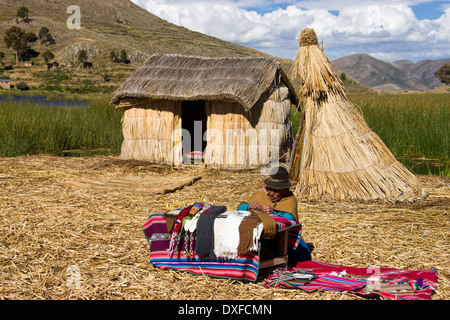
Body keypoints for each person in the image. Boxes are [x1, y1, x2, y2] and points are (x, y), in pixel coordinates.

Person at [238, 165, 311, 263]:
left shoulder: (290, 199)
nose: (271, 193)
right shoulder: (261, 194)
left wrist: (274, 213)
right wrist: (248, 207)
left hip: (281, 238)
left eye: (276, 190)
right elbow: (239, 209)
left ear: (285, 190)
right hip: (261, 236)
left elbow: (289, 219)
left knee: (302, 253)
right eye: (269, 189)